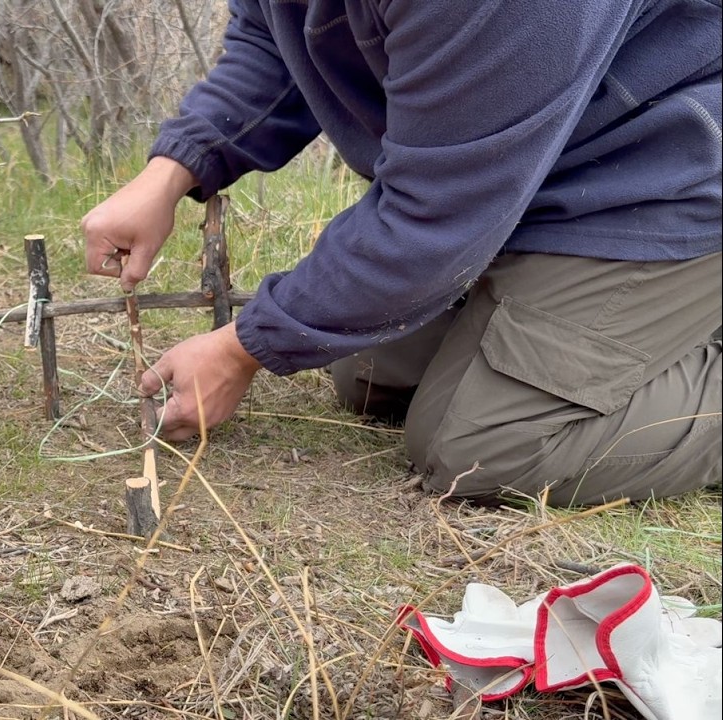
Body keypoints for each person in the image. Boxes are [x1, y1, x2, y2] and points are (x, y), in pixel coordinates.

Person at [80, 0, 722, 506]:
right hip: (534, 175)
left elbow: (431, 216)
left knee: (478, 449)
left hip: (663, 181)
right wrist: (172, 171)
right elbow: (274, 39)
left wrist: (239, 349)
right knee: (366, 372)